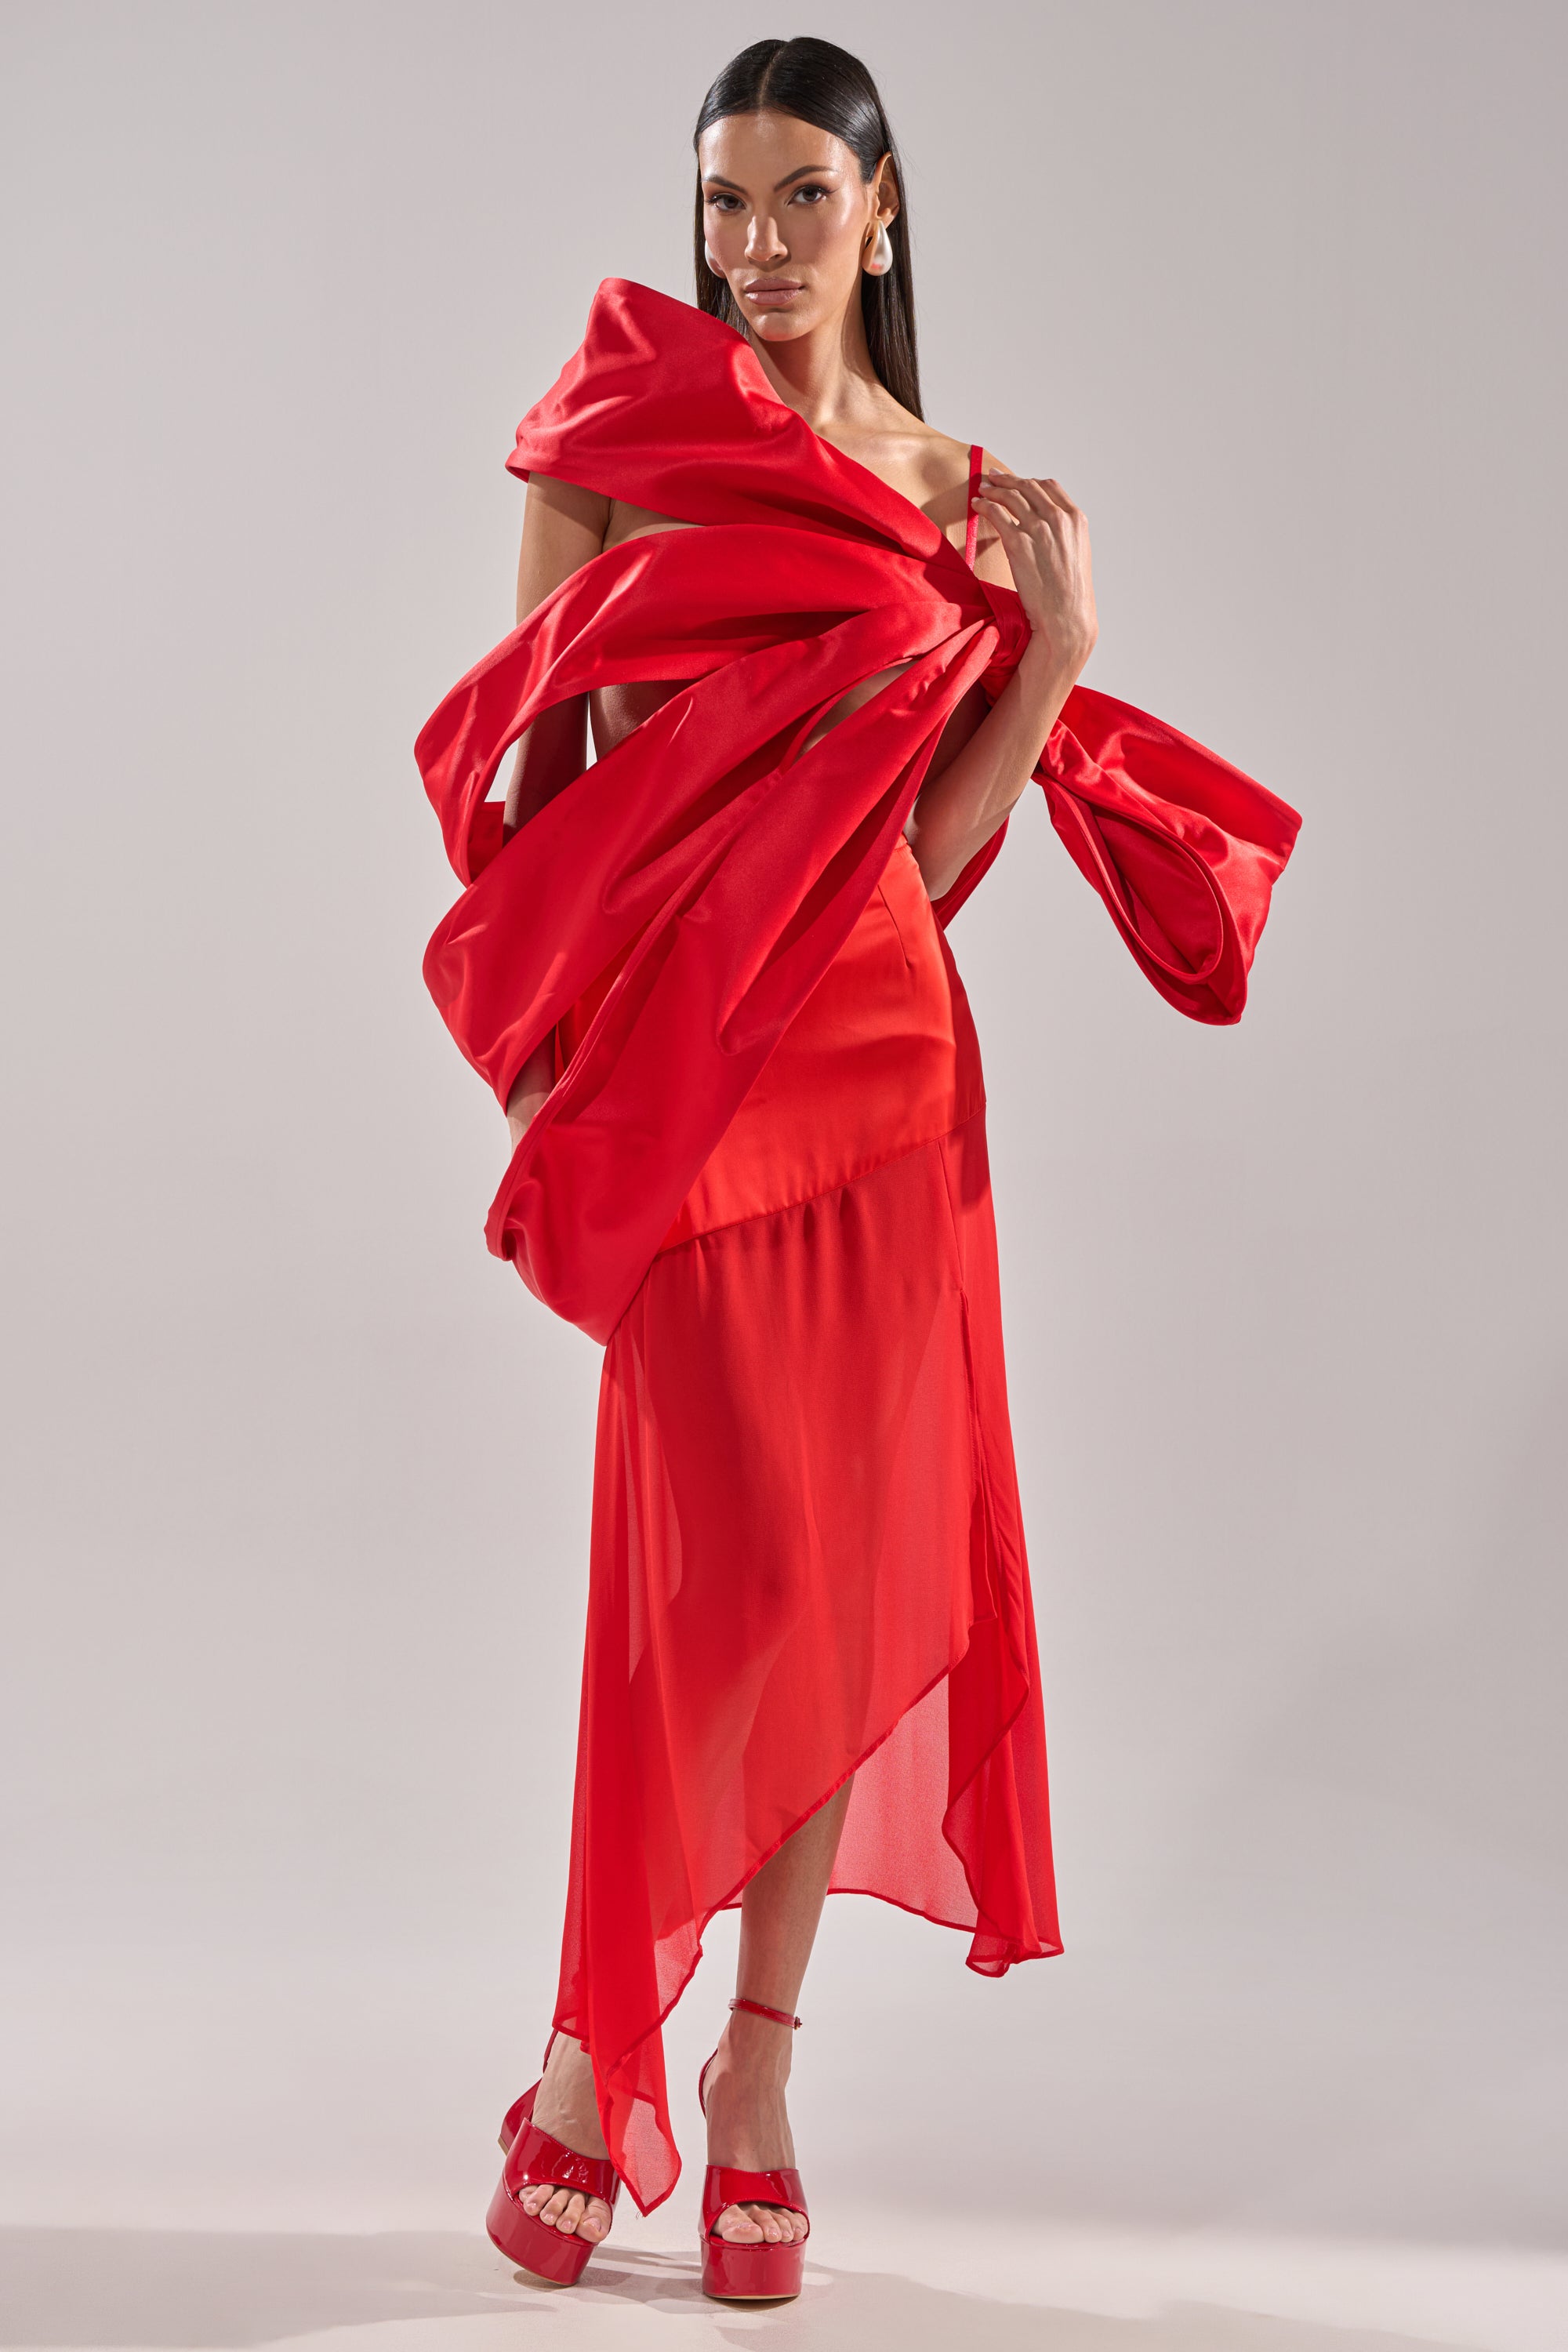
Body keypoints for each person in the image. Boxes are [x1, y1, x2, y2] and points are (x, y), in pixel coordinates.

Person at [416, 34, 1298, 2305]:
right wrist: (542, 1070)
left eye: (807, 200)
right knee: (684, 1583)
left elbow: (915, 851)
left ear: (885, 217)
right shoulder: (618, 436)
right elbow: (533, 806)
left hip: (891, 1083)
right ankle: (590, 2043)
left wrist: (1053, 654)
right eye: (729, 202)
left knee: (829, 1585)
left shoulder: (956, 496)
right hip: (692, 1095)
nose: (762, 246)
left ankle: (758, 2072)